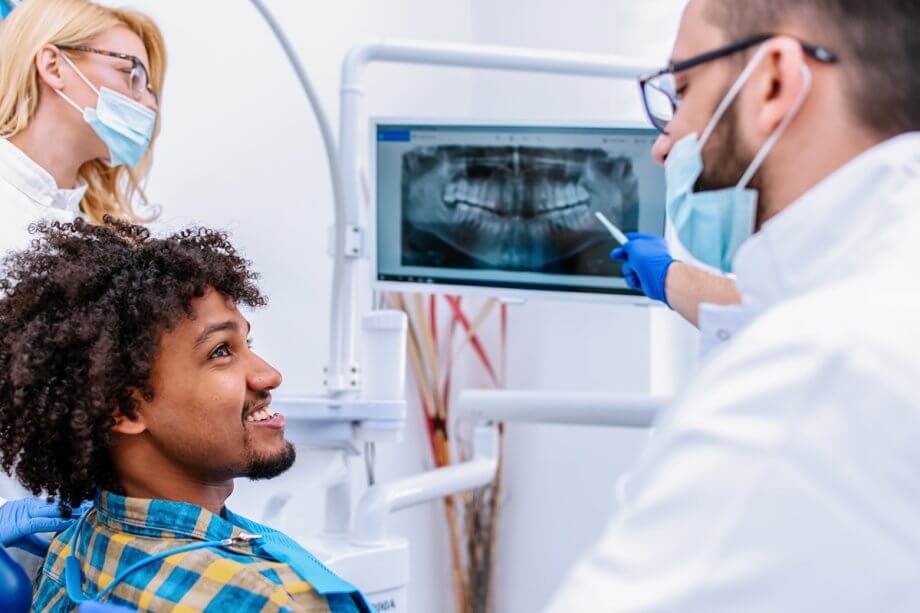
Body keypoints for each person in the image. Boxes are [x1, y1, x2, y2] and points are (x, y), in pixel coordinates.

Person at [548, 0, 920, 611]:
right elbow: (760, 303)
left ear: (773, 82)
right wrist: (672, 279)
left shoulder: (814, 375)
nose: (663, 149)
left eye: (684, 92)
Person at [0, 219, 371, 612]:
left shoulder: (71, 548)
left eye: (248, 343)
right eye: (221, 351)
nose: (269, 375)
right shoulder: (268, 599)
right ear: (126, 409)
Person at [0, 0, 166, 558]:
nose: (146, 101)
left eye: (151, 89)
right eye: (132, 73)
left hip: (62, 540)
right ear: (53, 66)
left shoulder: (89, 230)